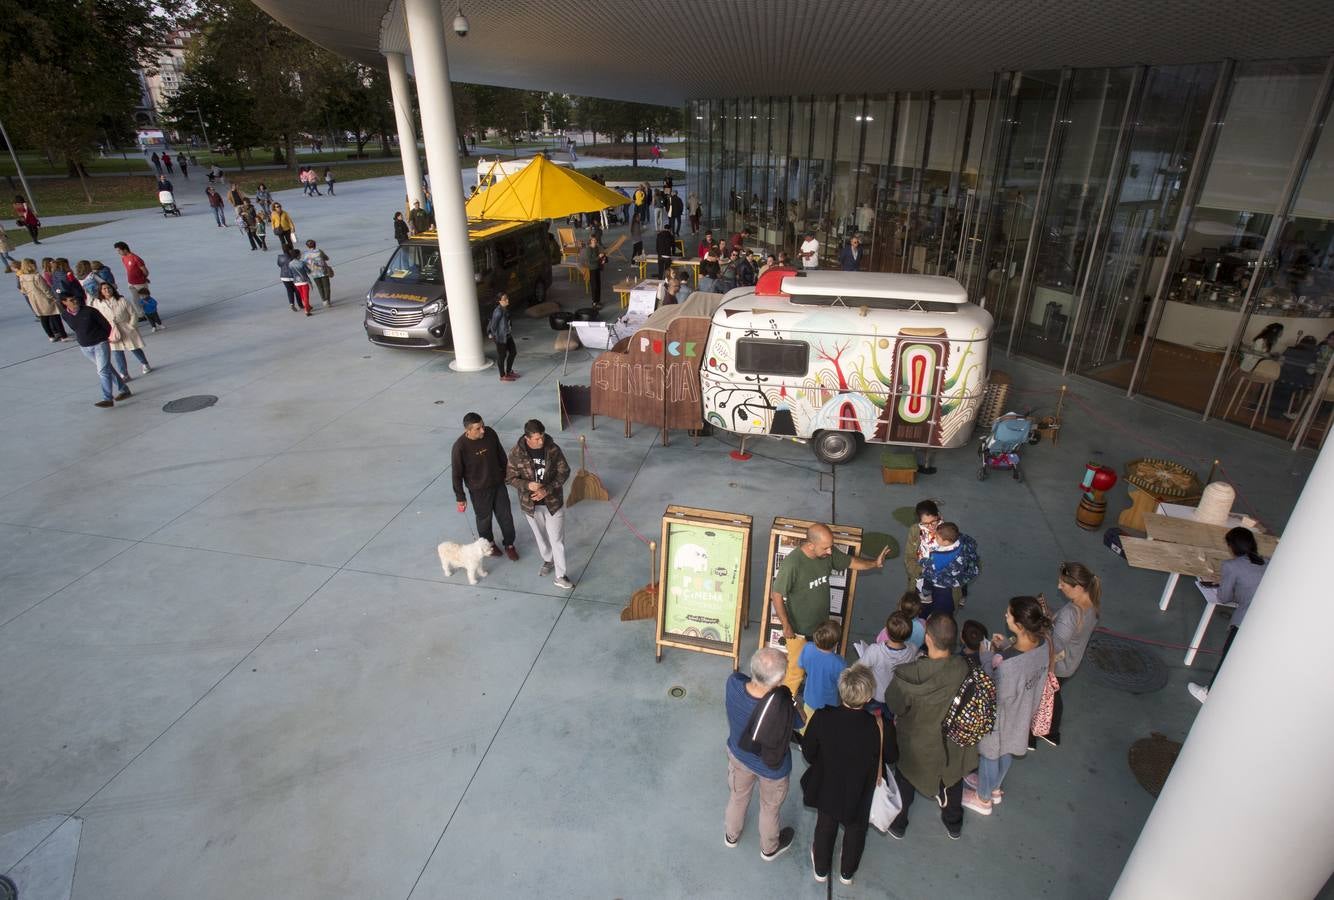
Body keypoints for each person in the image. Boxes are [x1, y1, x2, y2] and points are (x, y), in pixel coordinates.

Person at [884, 613, 977, 840]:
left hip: (916, 743)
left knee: (905, 779)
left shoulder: (908, 675)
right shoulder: (964, 667)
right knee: (953, 780)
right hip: (953, 744)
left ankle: (898, 823)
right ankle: (953, 823)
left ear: (928, 638)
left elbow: (894, 704)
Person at [770, 524, 889, 699]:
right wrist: (786, 625)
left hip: (821, 629)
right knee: (795, 671)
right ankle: (786, 702)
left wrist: (874, 563)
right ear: (811, 545)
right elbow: (777, 594)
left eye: (830, 546)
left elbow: (851, 562)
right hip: (798, 630)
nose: (830, 551)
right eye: (825, 547)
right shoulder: (792, 564)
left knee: (818, 668)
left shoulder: (827, 554)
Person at [963, 595, 1052, 815]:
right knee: (1009, 749)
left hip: (1000, 718)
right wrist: (1006, 646)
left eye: (1009, 613)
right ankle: (995, 788)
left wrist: (987, 658)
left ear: (1019, 626)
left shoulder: (1007, 666)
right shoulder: (1044, 643)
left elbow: (992, 692)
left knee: (990, 755)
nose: (1005, 615)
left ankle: (983, 798)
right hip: (1023, 711)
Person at [800, 665, 886, 885]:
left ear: (841, 689)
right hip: (860, 788)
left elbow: (809, 753)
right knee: (856, 830)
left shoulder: (822, 717)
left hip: (828, 784)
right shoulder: (877, 725)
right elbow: (891, 755)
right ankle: (847, 872)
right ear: (868, 696)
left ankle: (821, 870)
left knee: (825, 825)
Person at [723, 647, 797, 861]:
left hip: (739, 756)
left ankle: (731, 835)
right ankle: (769, 848)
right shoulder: (783, 707)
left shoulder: (733, 684)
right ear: (780, 679)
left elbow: (741, 677)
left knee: (737, 797)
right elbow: (799, 722)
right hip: (772, 770)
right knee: (769, 809)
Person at [1189, 528, 1267, 703]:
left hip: (1244, 620)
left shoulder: (1231, 566)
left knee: (1228, 658)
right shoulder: (1266, 562)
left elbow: (1224, 597)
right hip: (1268, 620)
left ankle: (1208, 694)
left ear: (1232, 547)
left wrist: (1225, 586)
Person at [1028, 562, 1100, 747]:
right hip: (1070, 663)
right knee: (1054, 693)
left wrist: (1038, 629)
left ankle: (1031, 736)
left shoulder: (1070, 613)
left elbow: (1055, 645)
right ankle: (1051, 732)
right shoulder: (1091, 605)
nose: (1059, 586)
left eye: (1063, 584)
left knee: (1037, 697)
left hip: (1057, 665)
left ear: (1078, 587)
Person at [505, 419, 573, 589]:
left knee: (557, 539)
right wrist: (527, 485)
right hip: (531, 506)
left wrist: (547, 489)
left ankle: (560, 575)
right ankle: (548, 559)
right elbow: (510, 478)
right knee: (541, 537)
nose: (540, 441)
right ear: (527, 438)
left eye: (541, 437)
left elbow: (564, 471)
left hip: (553, 503)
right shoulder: (516, 453)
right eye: (536, 439)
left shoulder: (552, 449)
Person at [452, 413, 519, 562]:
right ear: (468, 430)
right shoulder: (460, 447)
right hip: (479, 491)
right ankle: (490, 544)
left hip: (498, 485)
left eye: (482, 426)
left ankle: (509, 545)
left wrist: (508, 475)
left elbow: (501, 455)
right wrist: (460, 497)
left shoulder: (490, 433)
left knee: (506, 517)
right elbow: (456, 474)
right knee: (484, 521)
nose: (483, 430)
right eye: (478, 428)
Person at [58, 293, 130, 408]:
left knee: (102, 371)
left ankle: (107, 399)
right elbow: (74, 328)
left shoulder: (90, 311)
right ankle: (124, 389)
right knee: (107, 369)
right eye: (71, 300)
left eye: (75, 298)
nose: (75, 301)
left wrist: (102, 338)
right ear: (64, 302)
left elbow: (106, 326)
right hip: (85, 347)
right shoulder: (65, 315)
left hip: (99, 344)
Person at [853, 611, 918, 706]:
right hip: (896, 696)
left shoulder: (874, 650)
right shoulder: (913, 649)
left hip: (876, 695)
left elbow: (858, 668)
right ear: (909, 635)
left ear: (886, 631)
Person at [91, 282, 151, 379]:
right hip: (110, 330)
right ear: (100, 291)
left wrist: (131, 326)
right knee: (117, 352)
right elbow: (96, 317)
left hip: (125, 327)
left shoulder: (122, 300)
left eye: (109, 288)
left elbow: (133, 314)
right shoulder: (97, 303)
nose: (107, 290)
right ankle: (124, 374)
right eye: (104, 289)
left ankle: (145, 363)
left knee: (134, 347)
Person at [919, 522, 980, 616]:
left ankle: (926, 595)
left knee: (927, 576)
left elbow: (930, 570)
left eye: (937, 538)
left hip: (945, 583)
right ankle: (963, 596)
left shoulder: (940, 558)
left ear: (946, 542)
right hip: (963, 572)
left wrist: (922, 561)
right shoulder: (961, 541)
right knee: (963, 585)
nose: (935, 538)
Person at [797, 620, 847, 733]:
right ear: (835, 645)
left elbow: (801, 664)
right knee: (825, 730)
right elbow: (842, 685)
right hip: (829, 704)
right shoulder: (840, 663)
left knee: (807, 726)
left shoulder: (807, 648)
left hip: (809, 698)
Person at [16, 258, 67, 342]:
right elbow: (45, 289)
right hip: (44, 299)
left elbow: (23, 290)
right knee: (55, 315)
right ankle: (63, 336)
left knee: (43, 318)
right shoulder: (36, 276)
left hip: (33, 299)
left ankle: (51, 336)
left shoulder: (21, 277)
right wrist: (53, 297)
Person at [1270, 335, 1319, 419]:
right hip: (1297, 383)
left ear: (1300, 342)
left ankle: (1268, 408)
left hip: (1281, 379)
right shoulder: (1312, 355)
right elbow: (1310, 371)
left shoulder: (1290, 349)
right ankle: (1295, 413)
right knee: (1311, 389)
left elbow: (1279, 363)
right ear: (1314, 346)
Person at [904, 498, 942, 591]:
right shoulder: (915, 530)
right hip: (921, 572)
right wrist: (920, 571)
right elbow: (909, 556)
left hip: (941, 577)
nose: (931, 527)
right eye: (925, 523)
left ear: (938, 515)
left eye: (933, 521)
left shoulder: (947, 531)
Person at [113, 242, 151, 314]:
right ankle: (141, 315)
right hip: (131, 283)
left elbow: (145, 271)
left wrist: (143, 278)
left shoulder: (136, 258)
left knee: (145, 299)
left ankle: (151, 314)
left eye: (119, 250)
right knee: (135, 300)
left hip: (140, 283)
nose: (118, 253)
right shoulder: (124, 258)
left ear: (125, 250)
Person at [488, 292, 518, 381]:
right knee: (502, 356)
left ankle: (509, 371)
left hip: (507, 335)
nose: (507, 300)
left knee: (513, 352)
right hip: (500, 337)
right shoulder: (498, 312)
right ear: (499, 301)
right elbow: (493, 326)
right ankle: (502, 375)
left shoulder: (505, 309)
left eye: (507, 298)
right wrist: (495, 337)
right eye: (505, 299)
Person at [303, 239, 333, 307]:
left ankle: (324, 300)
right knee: (326, 286)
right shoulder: (319, 251)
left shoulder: (306, 254)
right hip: (323, 271)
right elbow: (326, 258)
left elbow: (305, 263)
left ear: (307, 246)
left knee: (320, 287)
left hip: (314, 273)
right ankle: (328, 300)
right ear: (315, 245)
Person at [581, 236, 606, 309]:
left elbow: (598, 258)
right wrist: (599, 257)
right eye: (593, 240)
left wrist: (602, 259)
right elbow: (590, 260)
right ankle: (594, 302)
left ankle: (598, 301)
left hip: (597, 268)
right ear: (590, 241)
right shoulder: (589, 249)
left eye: (595, 240)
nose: (594, 241)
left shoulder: (596, 248)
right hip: (592, 269)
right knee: (594, 286)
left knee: (598, 285)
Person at [287, 250, 312, 316]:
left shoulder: (290, 263)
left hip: (296, 282)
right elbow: (308, 271)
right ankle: (307, 310)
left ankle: (308, 306)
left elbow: (290, 274)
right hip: (304, 281)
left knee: (302, 295)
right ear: (298, 255)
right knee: (306, 296)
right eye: (300, 254)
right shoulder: (302, 263)